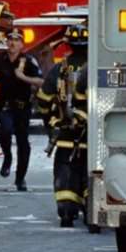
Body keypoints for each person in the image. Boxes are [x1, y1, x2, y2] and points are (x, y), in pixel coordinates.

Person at [36, 25, 88, 227]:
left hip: (65, 135)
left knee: (65, 174)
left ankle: (67, 213)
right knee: (88, 173)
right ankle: (89, 208)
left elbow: (43, 100)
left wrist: (51, 125)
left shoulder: (59, 69)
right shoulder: (96, 69)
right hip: (92, 136)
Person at [0, 31, 43, 191]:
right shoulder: (0, 58)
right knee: (5, 132)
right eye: (10, 40)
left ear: (21, 45)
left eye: (16, 41)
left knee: (22, 142)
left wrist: (23, 77)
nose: (12, 43)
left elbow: (41, 81)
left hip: (22, 107)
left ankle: (20, 178)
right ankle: (7, 157)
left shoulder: (29, 61)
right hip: (5, 105)